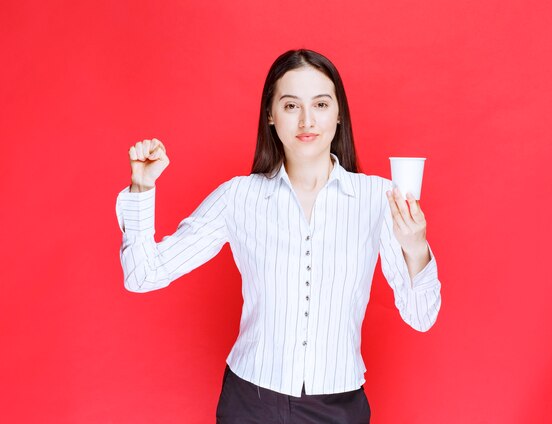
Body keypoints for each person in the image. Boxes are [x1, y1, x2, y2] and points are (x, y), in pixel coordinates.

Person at [115, 49, 441, 424]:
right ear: (270, 115)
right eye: (290, 106)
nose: (307, 119)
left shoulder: (378, 199)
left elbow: (421, 316)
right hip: (249, 404)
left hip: (338, 408)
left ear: (339, 114)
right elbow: (142, 276)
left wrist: (415, 245)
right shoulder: (239, 196)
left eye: (320, 103)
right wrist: (141, 188)